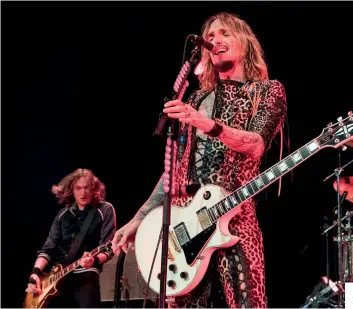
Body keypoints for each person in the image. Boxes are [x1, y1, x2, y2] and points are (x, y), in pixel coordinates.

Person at [111, 12, 287, 308]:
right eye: (211, 37)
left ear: (244, 42)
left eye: (224, 34)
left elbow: (256, 145)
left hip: (235, 217)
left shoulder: (266, 91)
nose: (215, 40)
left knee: (248, 301)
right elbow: (173, 169)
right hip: (185, 221)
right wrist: (138, 219)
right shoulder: (194, 101)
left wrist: (208, 125)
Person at [25, 168, 117, 307]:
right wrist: (35, 274)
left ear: (94, 189)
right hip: (56, 278)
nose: (83, 192)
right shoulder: (63, 215)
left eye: (86, 188)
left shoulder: (105, 209)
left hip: (86, 272)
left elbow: (109, 247)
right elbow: (48, 249)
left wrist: (95, 259)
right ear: (71, 190)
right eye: (78, 188)